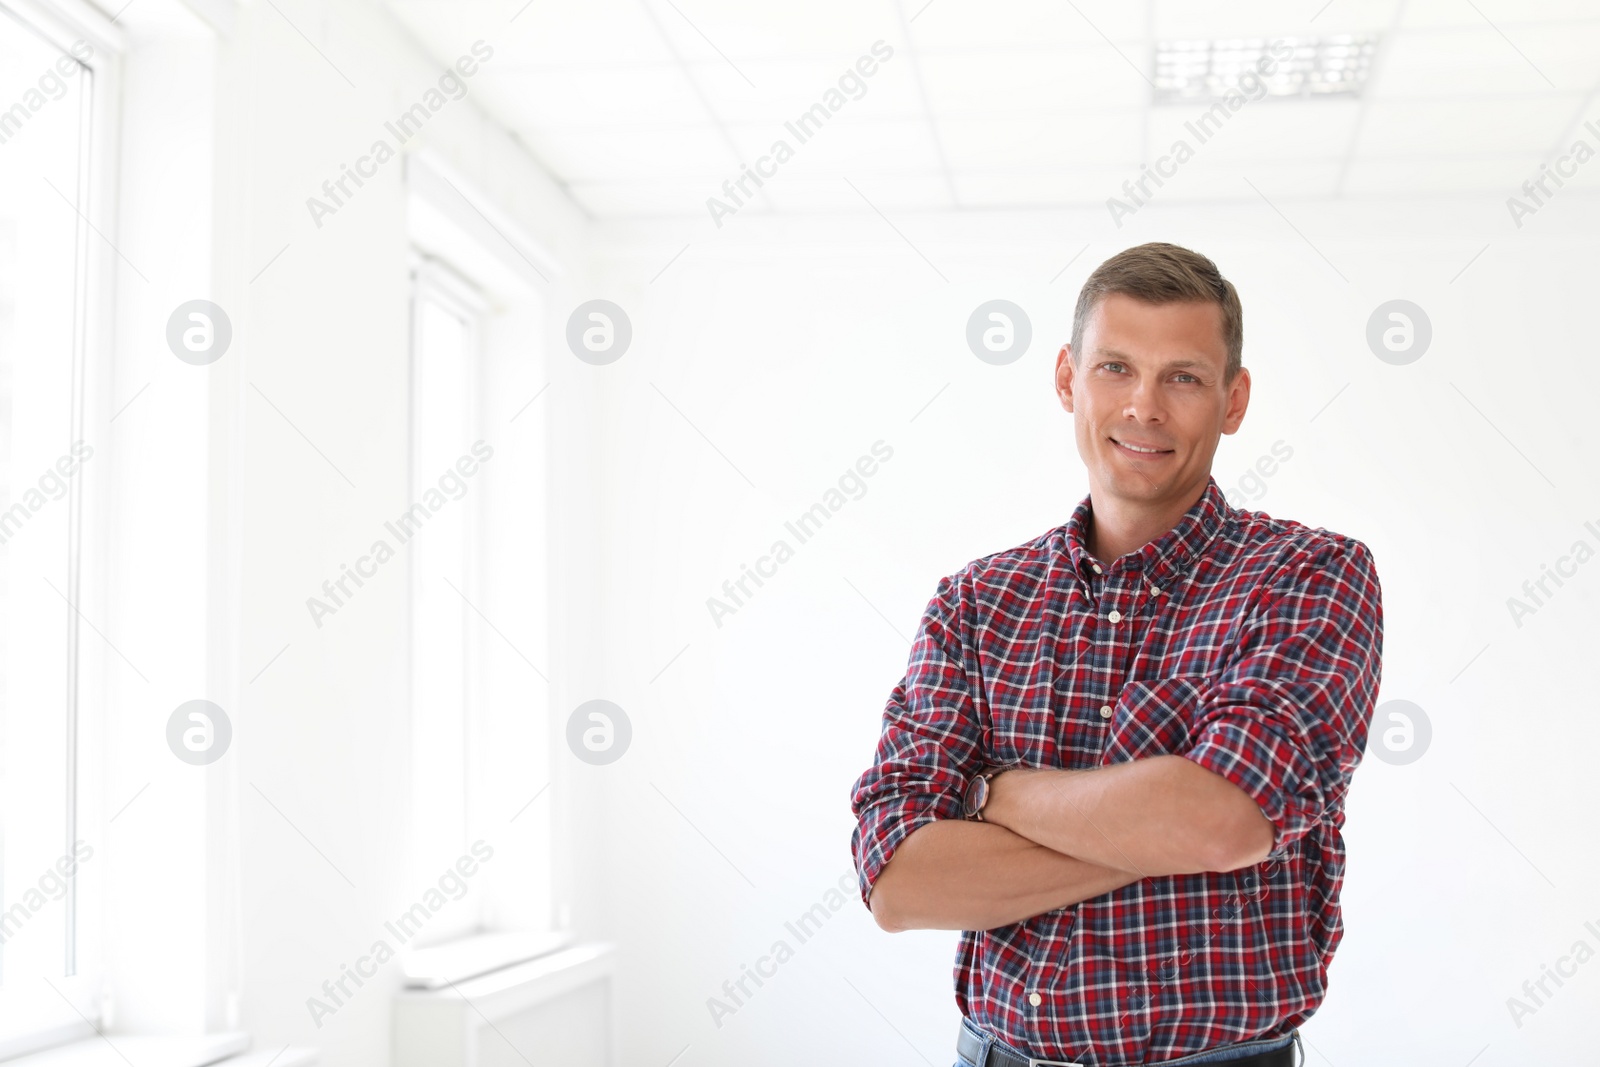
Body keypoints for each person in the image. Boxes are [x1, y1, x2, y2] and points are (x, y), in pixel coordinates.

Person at [848, 242, 1384, 1067]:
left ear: (1233, 399)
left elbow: (1219, 821)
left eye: (1184, 377)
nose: (1144, 408)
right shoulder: (976, 603)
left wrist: (993, 792)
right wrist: (1151, 824)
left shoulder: (1310, 577)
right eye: (1116, 368)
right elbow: (899, 880)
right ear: (1068, 378)